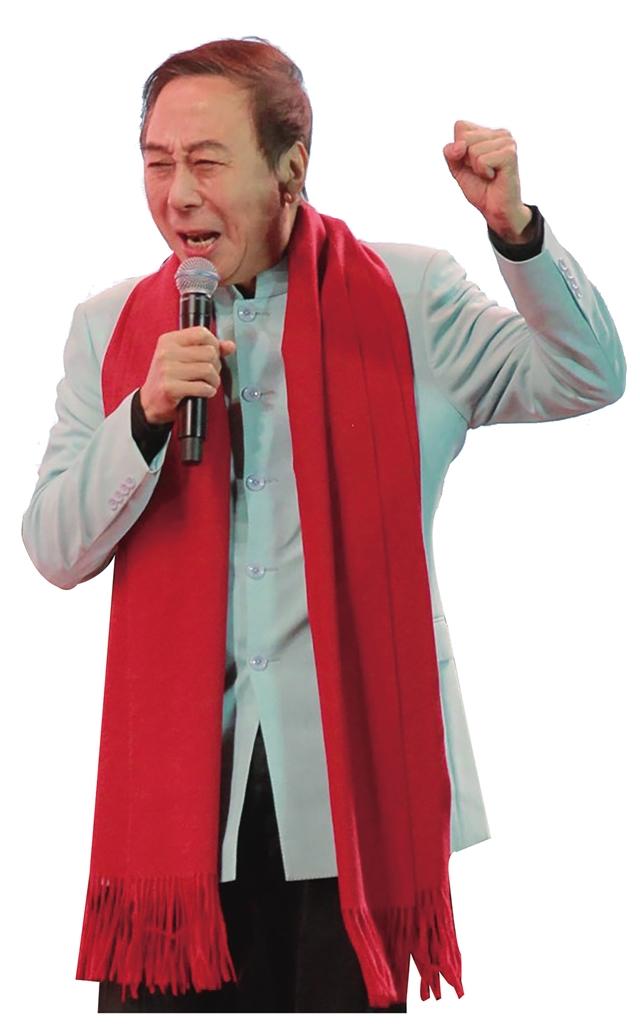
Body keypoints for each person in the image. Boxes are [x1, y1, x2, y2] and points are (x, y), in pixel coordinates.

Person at [21, 36, 626, 1015]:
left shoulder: (410, 298)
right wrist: (143, 418)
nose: (177, 195)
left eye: (206, 162)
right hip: (174, 815)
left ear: (290, 166)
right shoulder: (109, 327)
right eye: (157, 162)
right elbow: (53, 548)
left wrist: (516, 232)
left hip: (353, 796)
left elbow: (587, 375)